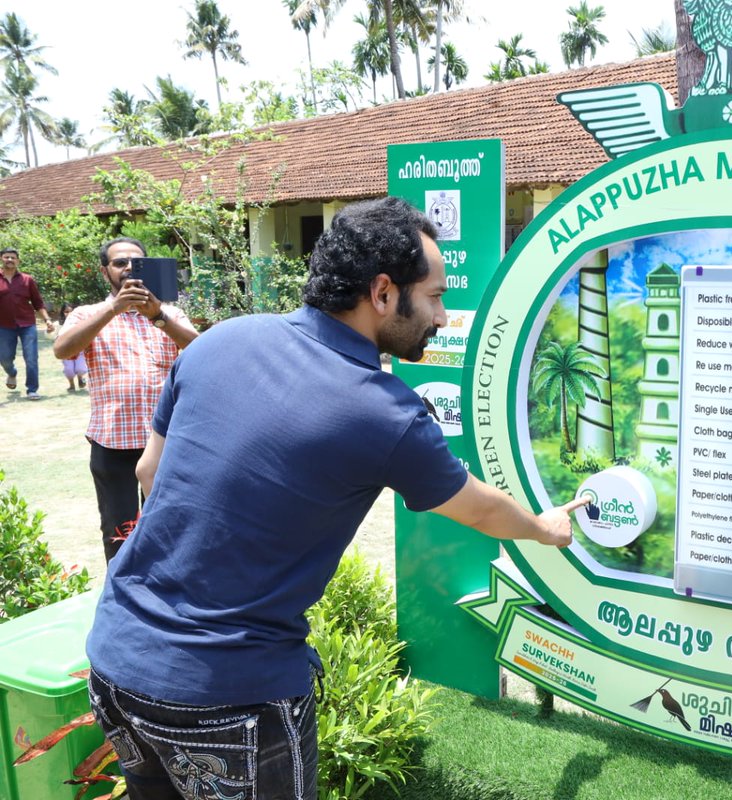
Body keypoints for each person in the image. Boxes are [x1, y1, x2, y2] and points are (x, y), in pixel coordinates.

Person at [84, 197, 585, 800]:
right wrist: (546, 527)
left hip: (115, 662)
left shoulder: (220, 342)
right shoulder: (384, 412)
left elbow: (148, 471)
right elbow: (480, 508)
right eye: (433, 296)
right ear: (381, 292)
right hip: (228, 698)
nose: (444, 315)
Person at [53, 238, 198, 561]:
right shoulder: (87, 314)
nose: (129, 268)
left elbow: (200, 349)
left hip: (164, 443)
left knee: (169, 525)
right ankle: (122, 598)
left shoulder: (170, 312)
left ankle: (164, 594)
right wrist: (113, 309)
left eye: (137, 262)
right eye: (120, 263)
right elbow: (64, 350)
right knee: (119, 530)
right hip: (112, 442)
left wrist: (158, 315)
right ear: (105, 271)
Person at [0, 247, 56, 400]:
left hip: (27, 324)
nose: (10, 260)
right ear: (1, 259)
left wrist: (47, 320)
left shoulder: (27, 279)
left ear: (18, 261)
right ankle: (12, 373)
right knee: (4, 357)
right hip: (4, 325)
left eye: (13, 257)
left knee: (31, 357)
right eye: (6, 257)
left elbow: (38, 302)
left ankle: (32, 389)